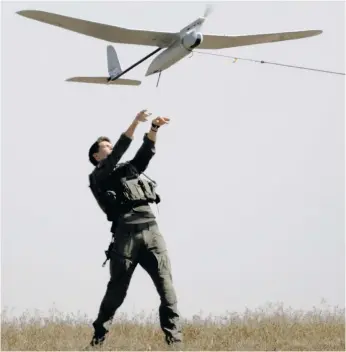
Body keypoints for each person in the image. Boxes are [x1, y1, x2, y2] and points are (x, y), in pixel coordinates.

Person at [86, 110, 183, 349]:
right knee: (116, 293)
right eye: (105, 146)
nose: (110, 147)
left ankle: (176, 344)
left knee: (167, 290)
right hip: (125, 235)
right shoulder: (99, 175)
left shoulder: (126, 170)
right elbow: (120, 149)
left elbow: (144, 155)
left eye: (109, 144)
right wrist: (134, 123)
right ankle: (98, 339)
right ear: (97, 156)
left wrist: (153, 129)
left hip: (152, 232)